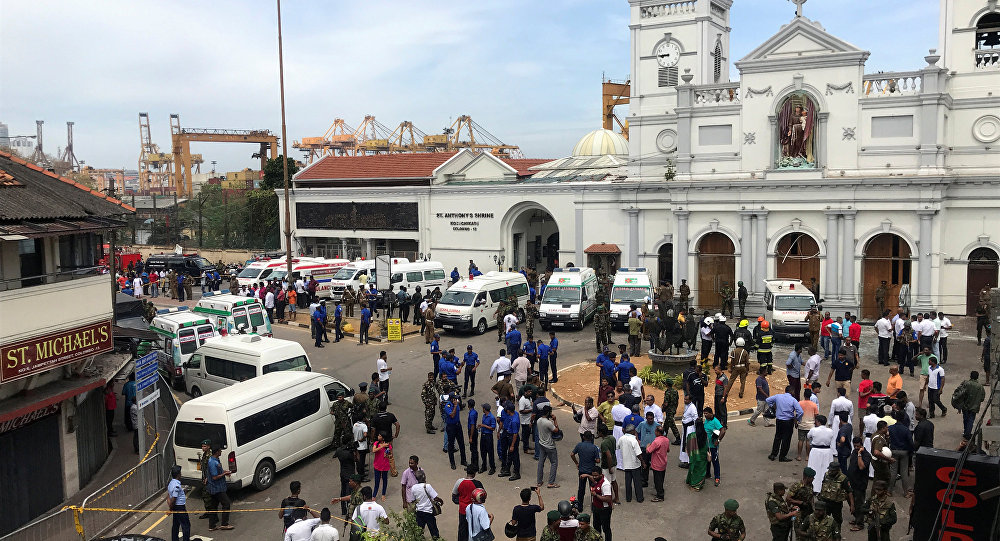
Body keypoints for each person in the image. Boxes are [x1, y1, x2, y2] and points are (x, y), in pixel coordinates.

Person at [766, 386, 804, 462]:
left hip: (779, 420)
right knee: (786, 439)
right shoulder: (793, 400)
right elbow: (800, 412)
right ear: (791, 391)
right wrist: (797, 419)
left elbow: (767, 400)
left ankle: (773, 454)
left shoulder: (778, 396)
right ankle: (782, 456)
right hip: (788, 421)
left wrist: (773, 407)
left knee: (777, 437)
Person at [205, 446, 234, 531]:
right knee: (226, 504)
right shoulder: (213, 462)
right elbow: (214, 477)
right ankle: (224, 524)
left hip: (216, 487)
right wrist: (224, 474)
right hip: (217, 488)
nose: (221, 452)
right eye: (220, 451)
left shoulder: (215, 460)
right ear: (217, 452)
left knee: (213, 506)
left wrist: (224, 472)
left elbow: (218, 472)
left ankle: (212, 525)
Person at [954, 371, 986, 443]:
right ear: (977, 377)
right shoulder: (980, 387)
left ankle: (966, 433)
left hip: (965, 406)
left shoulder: (966, 384)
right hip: (974, 407)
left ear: (970, 376)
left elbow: (960, 395)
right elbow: (982, 398)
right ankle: (967, 434)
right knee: (971, 420)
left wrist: (959, 405)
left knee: (965, 419)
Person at [887, 410, 914, 496]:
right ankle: (906, 492)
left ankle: (889, 491)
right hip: (904, 452)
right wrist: (910, 452)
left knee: (893, 471)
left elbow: (887, 438)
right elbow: (910, 442)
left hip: (894, 451)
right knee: (904, 472)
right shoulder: (906, 430)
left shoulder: (890, 428)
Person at [411, 470, 443, 539]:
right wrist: (441, 501)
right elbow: (435, 498)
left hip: (419, 512)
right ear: (424, 477)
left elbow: (413, 500)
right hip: (428, 512)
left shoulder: (413, 488)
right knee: (434, 532)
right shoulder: (427, 486)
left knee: (419, 531)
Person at [616, 424, 644, 502]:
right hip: (635, 465)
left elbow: (617, 447)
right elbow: (638, 454)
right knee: (637, 482)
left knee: (628, 482)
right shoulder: (633, 440)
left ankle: (628, 498)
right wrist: (643, 462)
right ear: (632, 431)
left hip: (626, 464)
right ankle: (639, 498)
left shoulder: (621, 438)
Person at [587, 471, 614, 541]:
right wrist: (586, 475)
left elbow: (608, 499)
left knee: (606, 529)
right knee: (596, 528)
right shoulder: (597, 480)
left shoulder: (605, 484)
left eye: (596, 475)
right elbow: (593, 479)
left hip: (604, 510)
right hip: (596, 508)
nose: (594, 477)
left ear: (601, 475)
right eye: (593, 476)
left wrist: (596, 495)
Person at [167, 465, 191, 541]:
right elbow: (174, 498)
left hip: (175, 507)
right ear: (178, 474)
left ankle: (174, 539)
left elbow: (168, 495)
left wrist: (171, 507)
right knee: (186, 525)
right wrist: (171, 507)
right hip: (180, 507)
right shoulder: (176, 485)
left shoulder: (171, 483)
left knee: (176, 524)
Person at [500, 400, 522, 480]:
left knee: (514, 455)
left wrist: (512, 445)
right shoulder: (514, 414)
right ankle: (507, 470)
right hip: (508, 434)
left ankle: (517, 473)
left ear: (509, 410)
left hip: (512, 437)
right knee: (509, 454)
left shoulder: (514, 420)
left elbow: (515, 434)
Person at [685, 419, 709, 491]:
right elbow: (707, 445)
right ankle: (699, 484)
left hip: (694, 456)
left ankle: (693, 484)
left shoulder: (692, 436)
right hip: (703, 456)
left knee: (694, 469)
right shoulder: (705, 435)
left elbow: (687, 447)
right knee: (701, 471)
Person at [703, 406, 725, 486]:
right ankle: (707, 474)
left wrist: (718, 440)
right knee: (707, 461)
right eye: (704, 413)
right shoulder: (707, 420)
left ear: (711, 413)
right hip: (706, 445)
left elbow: (723, 431)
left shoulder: (715, 421)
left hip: (713, 446)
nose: (705, 415)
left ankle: (717, 478)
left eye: (706, 413)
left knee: (715, 462)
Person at [796, 389, 819, 461]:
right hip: (810, 426)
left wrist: (795, 423)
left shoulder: (799, 403)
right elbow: (816, 415)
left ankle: (799, 456)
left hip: (801, 425)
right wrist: (816, 424)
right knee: (808, 441)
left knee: (800, 440)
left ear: (804, 395)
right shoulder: (814, 405)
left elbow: (796, 414)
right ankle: (807, 456)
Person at [371, 433, 392, 501]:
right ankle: (374, 495)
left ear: (383, 438)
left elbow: (390, 455)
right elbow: (374, 450)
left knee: (384, 480)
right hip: (377, 466)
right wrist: (382, 446)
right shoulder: (376, 443)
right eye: (378, 435)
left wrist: (388, 455)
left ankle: (383, 494)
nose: (378, 437)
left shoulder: (388, 445)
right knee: (377, 481)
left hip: (385, 466)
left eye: (380, 436)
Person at [479, 403, 498, 475]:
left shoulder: (492, 417)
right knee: (483, 451)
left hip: (488, 436)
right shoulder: (484, 416)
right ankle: (484, 466)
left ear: (484, 409)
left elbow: (493, 428)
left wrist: (483, 425)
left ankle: (492, 467)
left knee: (490, 452)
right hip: (483, 435)